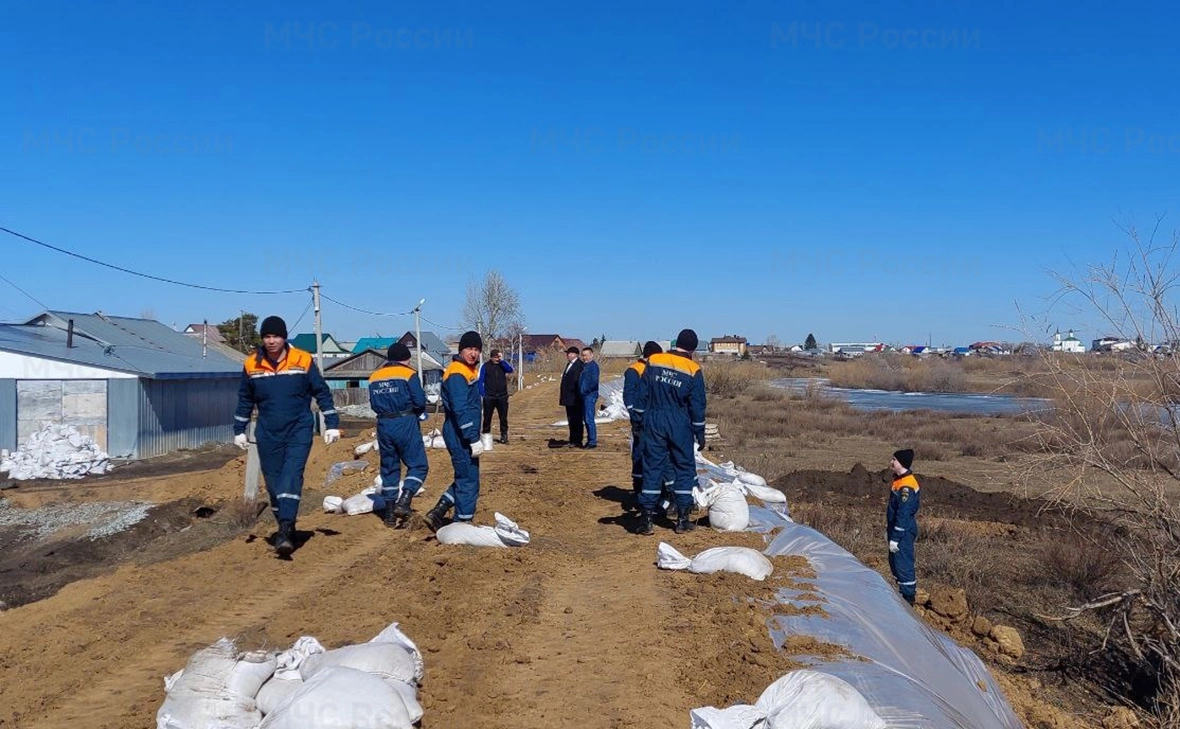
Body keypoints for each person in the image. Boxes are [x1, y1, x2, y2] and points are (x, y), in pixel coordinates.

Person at [233, 315, 339, 557]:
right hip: (267, 432)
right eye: (267, 337)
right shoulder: (251, 365)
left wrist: (331, 423)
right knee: (273, 484)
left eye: (276, 336)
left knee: (291, 475)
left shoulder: (302, 360)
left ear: (284, 337)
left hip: (298, 429)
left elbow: (321, 392)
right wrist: (239, 430)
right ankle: (286, 525)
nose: (271, 341)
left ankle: (285, 527)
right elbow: (245, 399)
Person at [636, 329, 707, 535]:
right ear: (692, 349)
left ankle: (646, 518)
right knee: (683, 467)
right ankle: (683, 519)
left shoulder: (655, 360)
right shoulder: (693, 369)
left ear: (676, 343)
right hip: (679, 423)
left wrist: (638, 420)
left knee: (652, 466)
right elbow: (698, 404)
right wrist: (699, 431)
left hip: (654, 420)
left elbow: (642, 393)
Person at [423, 331, 487, 531]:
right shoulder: (458, 373)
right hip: (459, 434)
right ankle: (462, 523)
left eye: (477, 350)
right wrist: (472, 438)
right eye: (469, 349)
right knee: (468, 479)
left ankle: (438, 512)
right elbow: (460, 409)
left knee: (465, 476)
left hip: (461, 432)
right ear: (461, 350)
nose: (473, 353)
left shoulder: (466, 371)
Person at [368, 342, 429, 528]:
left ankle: (389, 514)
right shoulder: (408, 374)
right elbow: (419, 401)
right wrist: (418, 412)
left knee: (389, 467)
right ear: (405, 358)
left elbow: (372, 404)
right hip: (405, 422)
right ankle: (405, 500)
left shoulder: (373, 377)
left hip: (384, 424)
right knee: (418, 465)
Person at [624, 341, 663, 501]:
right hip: (641, 421)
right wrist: (636, 416)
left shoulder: (657, 370)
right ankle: (639, 487)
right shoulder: (635, 370)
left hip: (657, 420)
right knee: (640, 453)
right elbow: (629, 395)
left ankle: (655, 488)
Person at [887, 448, 921, 605]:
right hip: (897, 529)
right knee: (895, 563)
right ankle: (901, 594)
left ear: (901, 463)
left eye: (894, 460)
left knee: (903, 564)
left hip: (904, 531)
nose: (891, 462)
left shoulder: (906, 486)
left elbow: (903, 514)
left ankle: (908, 600)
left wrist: (896, 537)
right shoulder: (899, 480)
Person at [479, 348, 515, 444]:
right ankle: (485, 435)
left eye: (498, 357)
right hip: (489, 397)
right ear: (491, 357)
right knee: (487, 417)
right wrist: (483, 394)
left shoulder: (502, 366)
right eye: (495, 357)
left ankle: (504, 435)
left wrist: (502, 361)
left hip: (502, 396)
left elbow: (510, 370)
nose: (497, 359)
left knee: (503, 418)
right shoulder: (485, 366)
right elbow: (480, 380)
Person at [558, 345, 585, 447]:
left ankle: (577, 440)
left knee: (576, 419)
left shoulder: (579, 365)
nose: (567, 355)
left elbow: (577, 382)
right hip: (568, 398)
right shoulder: (569, 364)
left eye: (569, 353)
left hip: (575, 398)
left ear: (575, 354)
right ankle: (572, 439)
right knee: (571, 419)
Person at [579, 347, 600, 449]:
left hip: (590, 395)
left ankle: (592, 442)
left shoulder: (593, 366)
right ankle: (589, 440)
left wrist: (585, 390)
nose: (584, 357)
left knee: (589, 419)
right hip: (584, 395)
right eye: (583, 355)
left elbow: (594, 381)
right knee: (586, 419)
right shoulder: (585, 366)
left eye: (586, 355)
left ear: (591, 355)